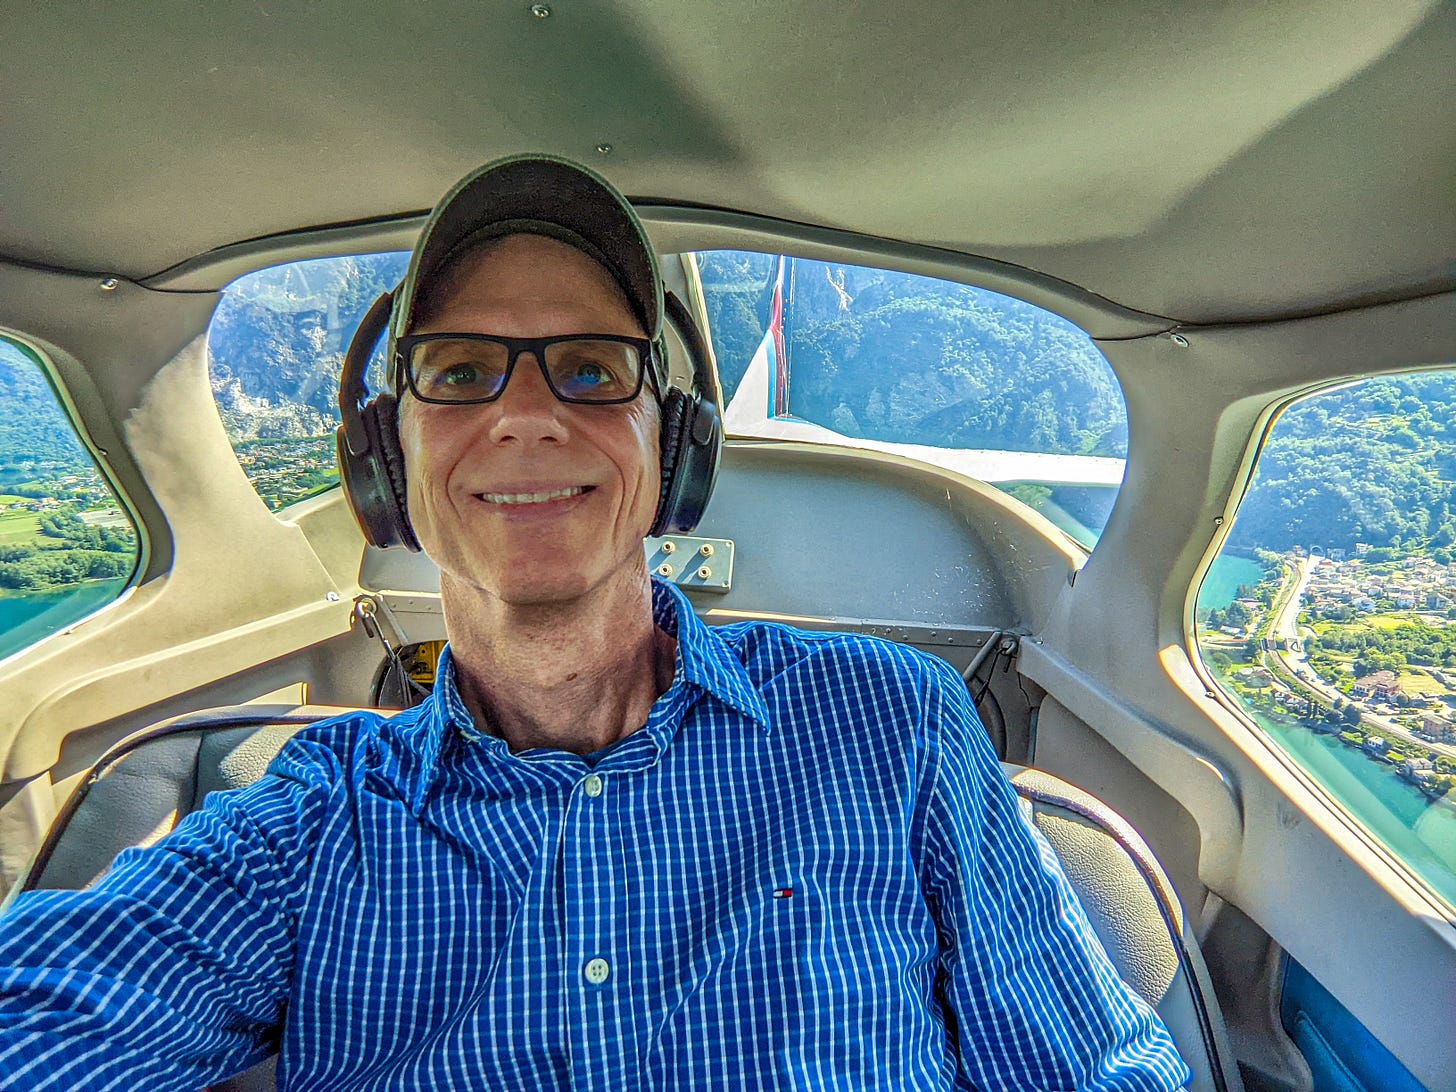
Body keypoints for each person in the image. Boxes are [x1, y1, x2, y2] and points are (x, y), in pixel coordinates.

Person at [0, 155, 1190, 1090]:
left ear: (670, 449)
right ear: (384, 457)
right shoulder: (311, 820)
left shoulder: (889, 725)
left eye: (587, 368)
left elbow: (1089, 1071)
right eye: (461, 372)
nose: (525, 415)